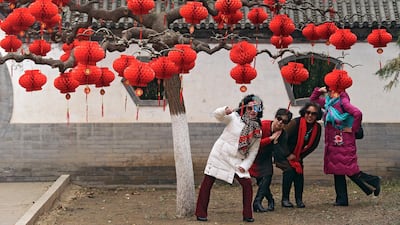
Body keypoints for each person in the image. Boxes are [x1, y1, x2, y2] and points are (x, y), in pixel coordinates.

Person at [195, 94, 264, 222]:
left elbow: (253, 151)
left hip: (237, 160)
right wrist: (224, 110)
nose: (253, 111)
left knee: (247, 184)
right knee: (207, 182)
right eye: (250, 108)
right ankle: (200, 213)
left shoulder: (257, 130)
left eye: (256, 108)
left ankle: (248, 215)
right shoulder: (234, 118)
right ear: (244, 108)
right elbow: (217, 115)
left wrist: (245, 166)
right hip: (220, 155)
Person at [310, 86, 381, 206]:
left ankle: (373, 181)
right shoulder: (328, 103)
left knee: (349, 169)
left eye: (331, 89)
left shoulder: (343, 101)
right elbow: (313, 101)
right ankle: (342, 199)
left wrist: (353, 129)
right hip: (334, 142)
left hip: (344, 141)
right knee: (337, 170)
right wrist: (318, 91)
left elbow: (357, 113)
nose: (329, 92)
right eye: (328, 90)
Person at [249, 108, 293, 213]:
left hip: (266, 157)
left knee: (266, 177)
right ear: (275, 117)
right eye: (279, 119)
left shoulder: (283, 135)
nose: (281, 122)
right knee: (261, 181)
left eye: (285, 121)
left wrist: (276, 143)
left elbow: (281, 153)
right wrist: (270, 139)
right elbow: (253, 144)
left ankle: (257, 202)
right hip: (253, 156)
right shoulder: (262, 126)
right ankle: (270, 200)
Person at [281, 102, 323, 208]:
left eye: (313, 114)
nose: (310, 115)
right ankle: (285, 199)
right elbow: (282, 138)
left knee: (299, 174)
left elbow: (313, 145)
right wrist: (288, 154)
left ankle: (299, 199)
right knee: (289, 171)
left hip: (298, 155)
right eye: (308, 112)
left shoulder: (317, 128)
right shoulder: (295, 123)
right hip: (283, 152)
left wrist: (300, 156)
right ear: (304, 112)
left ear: (317, 116)